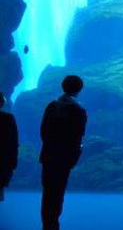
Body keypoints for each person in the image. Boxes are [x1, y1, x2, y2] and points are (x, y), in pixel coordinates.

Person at [40, 75, 87, 230]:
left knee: (47, 192)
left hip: (48, 155)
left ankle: (47, 225)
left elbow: (43, 132)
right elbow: (78, 136)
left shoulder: (52, 106)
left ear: (63, 86)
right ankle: (53, 225)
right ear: (79, 89)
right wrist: (74, 157)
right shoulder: (78, 109)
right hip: (64, 157)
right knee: (58, 192)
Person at [0, 93, 18, 202]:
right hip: (3, 160)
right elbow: (13, 141)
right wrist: (13, 161)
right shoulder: (8, 118)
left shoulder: (8, 118)